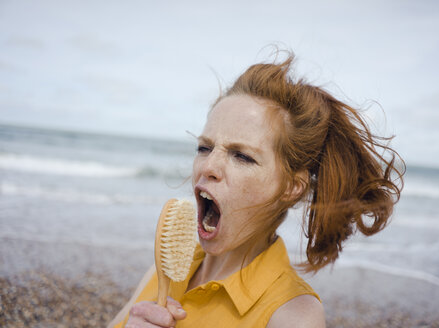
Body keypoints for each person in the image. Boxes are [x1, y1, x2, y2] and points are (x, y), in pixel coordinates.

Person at [109, 51, 404, 328]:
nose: (208, 166)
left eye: (242, 156)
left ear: (291, 187)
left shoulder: (293, 315)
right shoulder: (166, 269)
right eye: (205, 147)